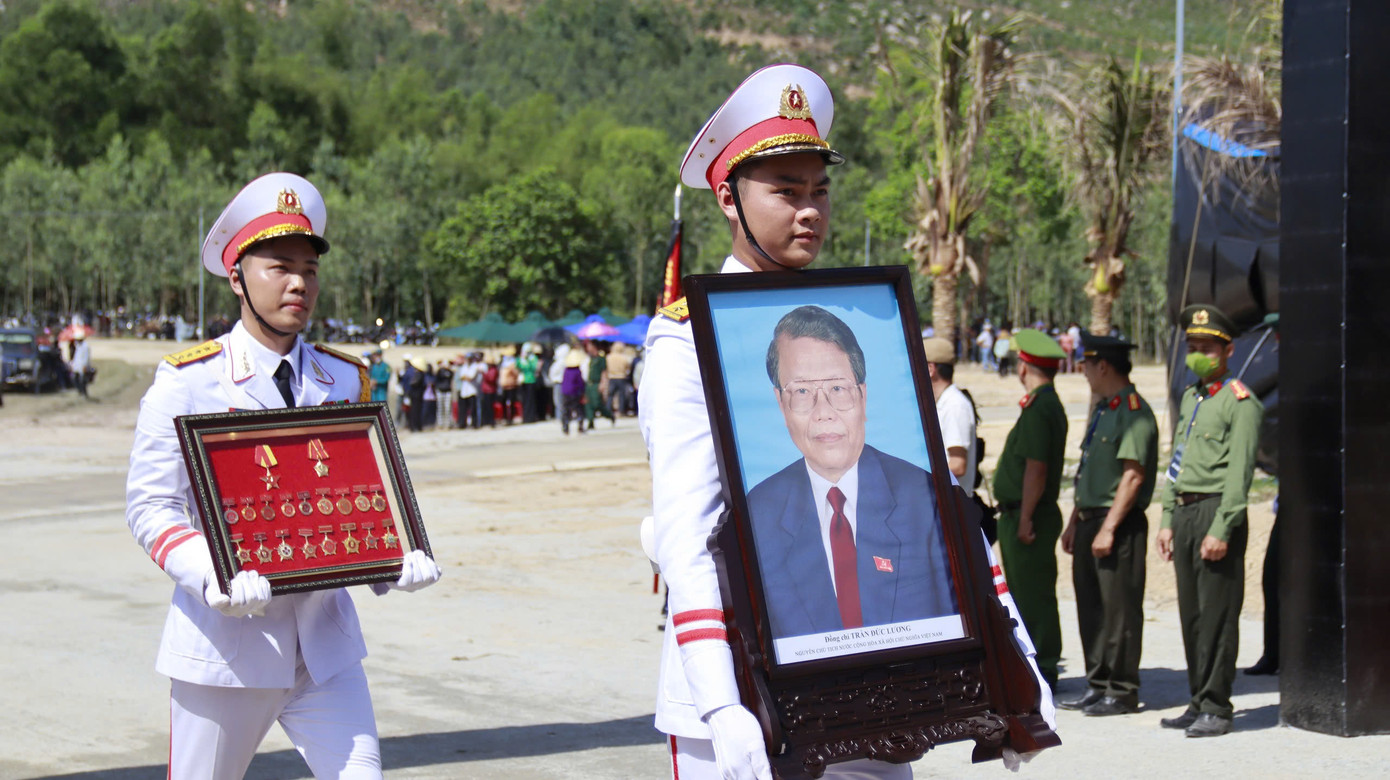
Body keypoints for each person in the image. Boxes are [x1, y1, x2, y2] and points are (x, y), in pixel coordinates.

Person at [639, 64, 1050, 780]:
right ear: (728, 199)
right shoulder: (686, 341)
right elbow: (691, 534)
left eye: (820, 191)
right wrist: (719, 701)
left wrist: (1014, 661)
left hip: (872, 688)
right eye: (786, 192)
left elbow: (932, 505)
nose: (810, 211)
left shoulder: (866, 318)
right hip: (745, 686)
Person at [125, 172, 440, 779]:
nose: (299, 282)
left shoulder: (345, 379)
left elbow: (361, 497)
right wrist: (209, 570)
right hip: (226, 650)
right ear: (237, 276)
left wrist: (393, 556)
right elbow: (151, 507)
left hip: (324, 649)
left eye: (310, 269)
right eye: (279, 266)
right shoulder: (189, 380)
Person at [747, 306, 956, 640]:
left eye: (838, 389)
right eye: (801, 392)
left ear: (863, 396)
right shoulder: (758, 513)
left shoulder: (922, 497)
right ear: (780, 405)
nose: (824, 413)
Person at [1156, 304, 1263, 738]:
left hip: (1216, 511)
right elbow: (1176, 461)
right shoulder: (1192, 397)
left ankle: (1217, 706)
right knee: (1192, 615)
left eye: (1207, 348)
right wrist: (1165, 515)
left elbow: (1239, 476)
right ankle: (1198, 697)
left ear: (1228, 350)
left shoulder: (1241, 402)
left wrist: (1222, 527)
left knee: (1217, 615)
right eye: (1192, 346)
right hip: (1183, 510)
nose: (1198, 354)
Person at [1059, 333, 1158, 716]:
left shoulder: (1133, 411)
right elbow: (1089, 473)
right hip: (1090, 519)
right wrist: (1074, 520)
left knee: (1119, 610)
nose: (1083, 371)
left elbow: (1132, 476)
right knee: (1092, 609)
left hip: (1116, 523)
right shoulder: (1104, 409)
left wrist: (1109, 528)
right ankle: (1098, 683)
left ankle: (1122, 688)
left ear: (1103, 366)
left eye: (1086, 364)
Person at [991, 329, 1068, 691]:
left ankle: (1045, 666)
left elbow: (1036, 468)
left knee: (1033, 595)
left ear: (1024, 367)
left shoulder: (1041, 408)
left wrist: (1024, 519)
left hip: (1028, 515)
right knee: (1023, 593)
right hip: (1019, 513)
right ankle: (1035, 667)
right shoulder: (1041, 404)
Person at [922, 337, 976, 493]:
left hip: (953, 509)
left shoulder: (954, 405)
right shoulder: (943, 403)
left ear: (931, 369)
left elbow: (958, 465)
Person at [68, 329, 92, 398]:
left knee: (82, 381)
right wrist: (73, 364)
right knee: (75, 379)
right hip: (77, 366)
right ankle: (80, 391)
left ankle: (84, 393)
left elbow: (86, 357)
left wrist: (85, 366)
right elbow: (76, 357)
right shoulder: (78, 346)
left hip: (83, 366)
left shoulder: (85, 346)